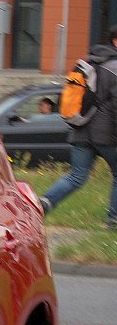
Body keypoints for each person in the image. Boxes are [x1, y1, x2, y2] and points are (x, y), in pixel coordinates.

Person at [40, 25, 117, 228]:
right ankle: (113, 219)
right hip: (107, 134)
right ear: (115, 41)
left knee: (76, 176)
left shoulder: (88, 62)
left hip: (81, 130)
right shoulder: (115, 67)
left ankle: (44, 203)